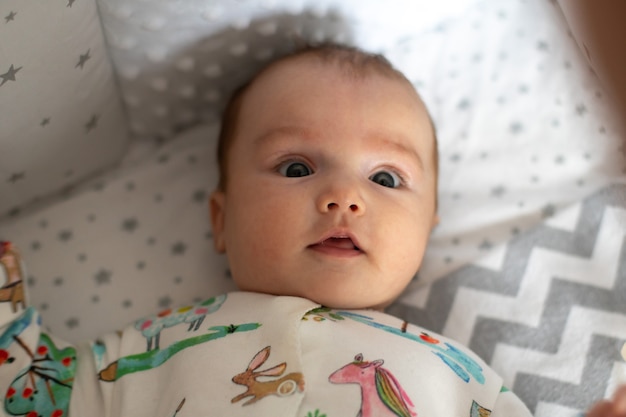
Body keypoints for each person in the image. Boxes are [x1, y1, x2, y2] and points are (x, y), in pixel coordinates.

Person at [0, 44, 621, 417]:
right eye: (297, 167)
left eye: (385, 178)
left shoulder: (460, 373)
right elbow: (36, 395)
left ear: (428, 230)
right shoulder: (159, 345)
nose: (344, 198)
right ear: (222, 219)